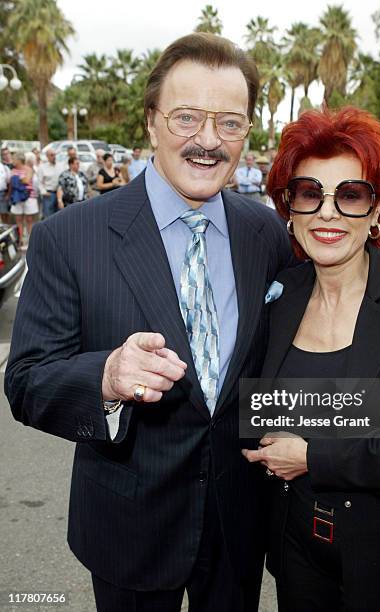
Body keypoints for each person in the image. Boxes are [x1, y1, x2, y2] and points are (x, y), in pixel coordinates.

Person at [5, 32, 291, 612]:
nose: (208, 141)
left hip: (239, 526)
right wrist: (106, 377)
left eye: (230, 123)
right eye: (186, 118)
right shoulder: (70, 237)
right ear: (151, 122)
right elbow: (27, 380)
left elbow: (274, 364)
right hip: (127, 528)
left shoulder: (266, 234)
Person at [243, 106, 380, 611]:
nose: (327, 213)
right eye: (309, 193)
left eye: (350, 195)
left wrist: (311, 457)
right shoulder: (280, 295)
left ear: (378, 211)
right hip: (293, 549)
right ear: (289, 207)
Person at [8, 152, 38, 247]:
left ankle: (31, 239)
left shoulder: (28, 169)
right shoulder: (13, 170)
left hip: (29, 197)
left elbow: (27, 180)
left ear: (19, 160)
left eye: (14, 159)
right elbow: (11, 183)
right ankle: (21, 239)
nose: (12, 161)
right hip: (17, 197)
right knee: (18, 219)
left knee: (29, 219)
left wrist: (16, 179)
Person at [38, 149, 64, 218]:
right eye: (52, 155)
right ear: (47, 156)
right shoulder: (42, 167)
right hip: (49, 194)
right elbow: (39, 182)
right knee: (48, 216)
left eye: (55, 155)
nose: (54, 157)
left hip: (59, 194)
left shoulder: (60, 166)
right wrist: (44, 192)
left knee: (59, 215)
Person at [0, 155, 11, 224]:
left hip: (2, 193)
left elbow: (9, 183)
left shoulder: (5, 168)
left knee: (4, 212)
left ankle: (5, 228)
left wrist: (8, 194)